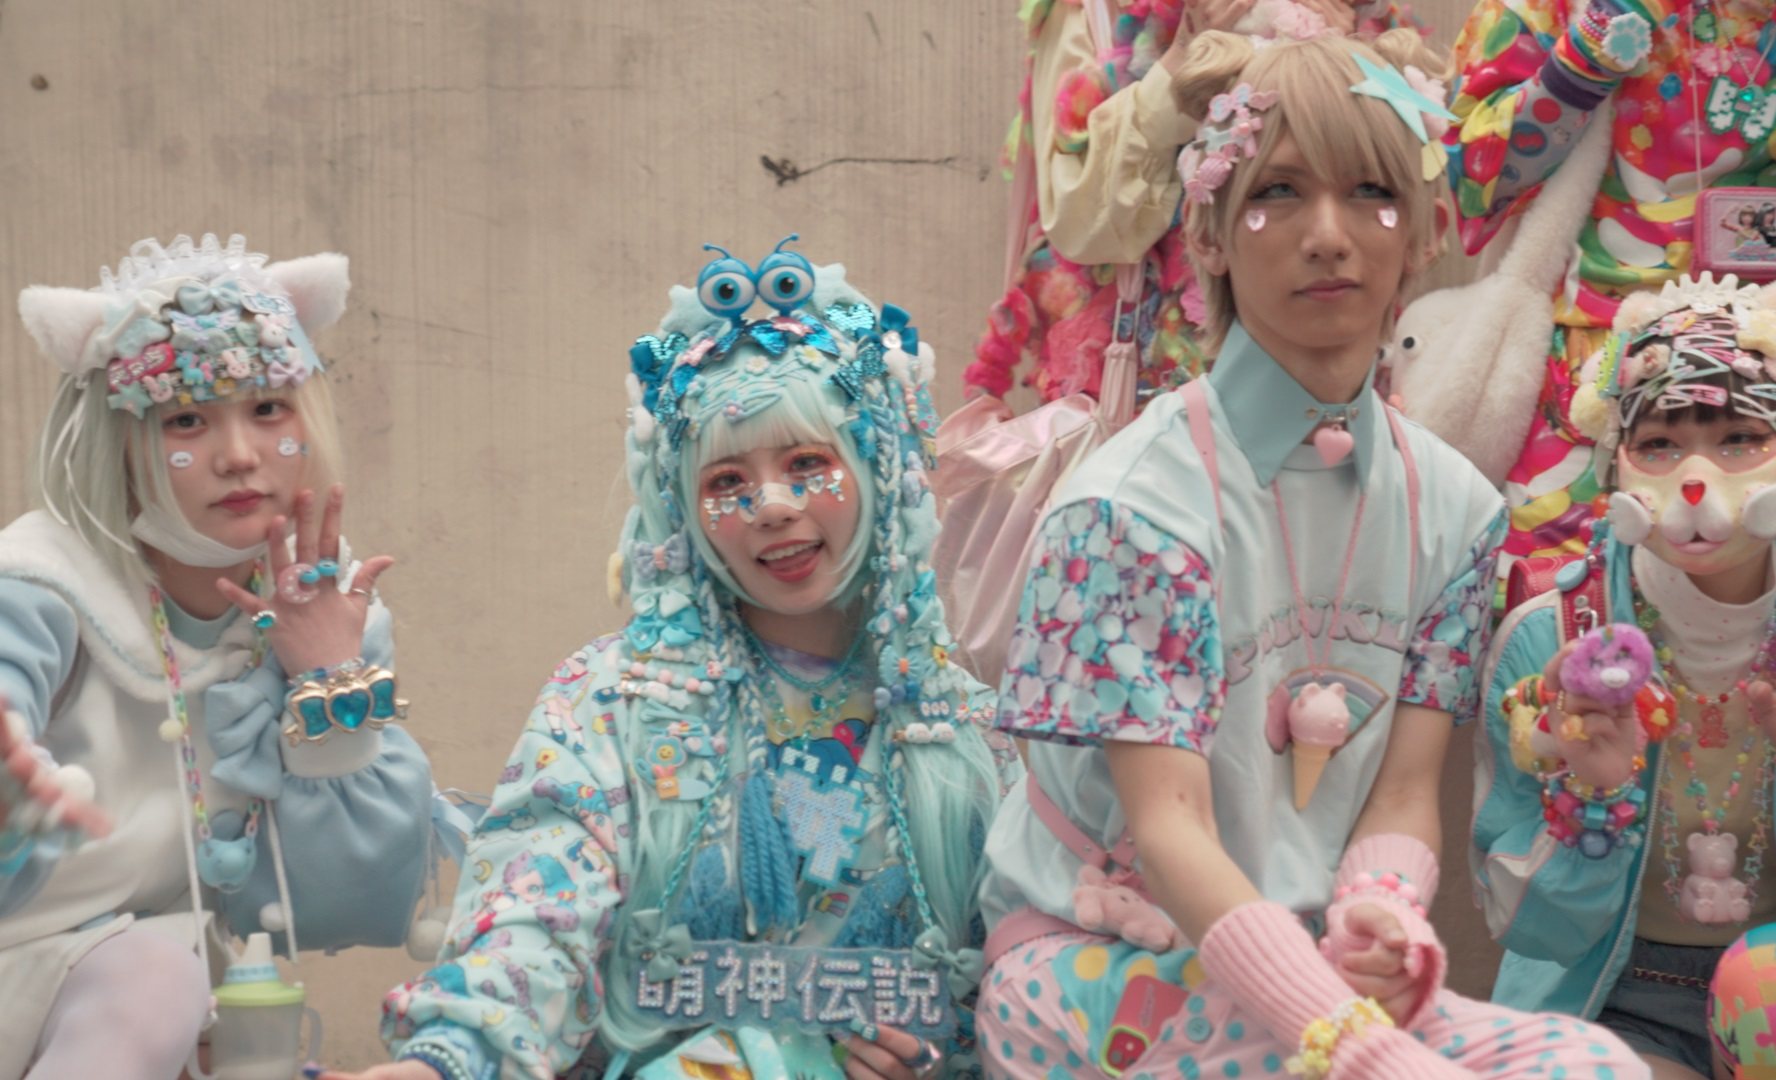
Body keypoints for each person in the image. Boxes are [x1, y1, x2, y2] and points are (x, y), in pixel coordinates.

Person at [975, 28, 1645, 1079]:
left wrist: (1383, 921)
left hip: (1303, 981)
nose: (1328, 235)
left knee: (1589, 1067)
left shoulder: (1458, 507)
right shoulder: (1131, 508)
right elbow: (1170, 830)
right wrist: (1350, 1044)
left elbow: (1400, 791)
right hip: (1095, 965)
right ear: (1209, 233)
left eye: (1371, 192)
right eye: (1277, 193)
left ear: (1424, 230)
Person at [339, 242, 1018, 1080]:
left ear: (882, 472)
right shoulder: (612, 701)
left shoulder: (970, 732)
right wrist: (446, 1060)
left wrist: (936, 1060)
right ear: (685, 512)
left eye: (808, 464)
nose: (771, 506)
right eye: (728, 480)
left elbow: (1020, 976)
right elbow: (538, 910)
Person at [0, 233, 434, 1080]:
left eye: (269, 409)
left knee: (178, 982)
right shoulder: (45, 583)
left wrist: (326, 684)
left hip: (142, 999)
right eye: (186, 419)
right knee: (160, 975)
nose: (239, 454)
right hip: (52, 968)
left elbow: (338, 906)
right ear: (118, 441)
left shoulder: (329, 612)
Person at [1472, 272, 1776, 1077]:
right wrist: (1592, 805)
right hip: (1606, 993)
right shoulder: (1553, 641)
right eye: (1660, 444)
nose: (1696, 480)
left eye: (1741, 438)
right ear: (1616, 465)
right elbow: (1521, 923)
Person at [1447, 0, 1776, 573]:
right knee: (1573, 627)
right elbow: (1472, 179)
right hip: (1597, 389)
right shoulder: (1549, 8)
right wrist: (1594, 43)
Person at [967, 0, 1418, 410]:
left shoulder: (1361, 10)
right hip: (1152, 406)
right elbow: (1081, 224)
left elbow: (1404, 208)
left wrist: (1335, 60)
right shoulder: (1092, 12)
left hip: (1329, 389)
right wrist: (1181, 66)